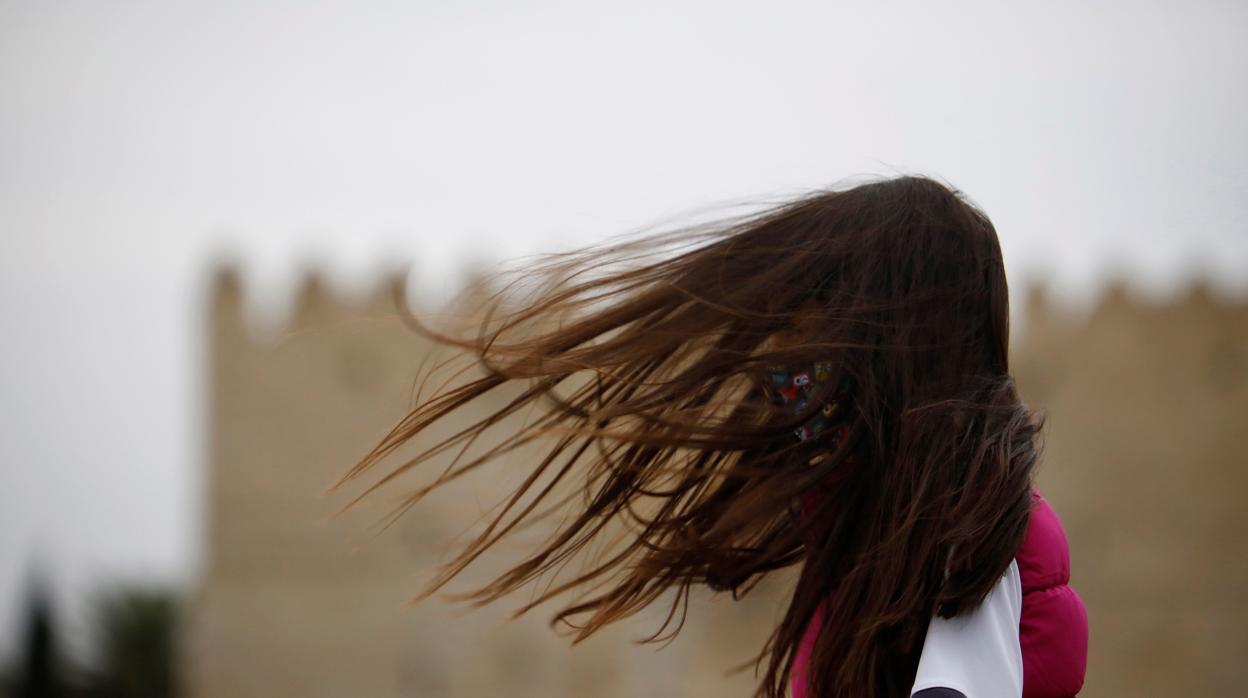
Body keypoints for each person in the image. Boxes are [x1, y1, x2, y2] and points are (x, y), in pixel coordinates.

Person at [329, 174, 1088, 697]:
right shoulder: (882, 529)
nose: (794, 359)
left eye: (825, 323)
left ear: (898, 342)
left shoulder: (969, 539)